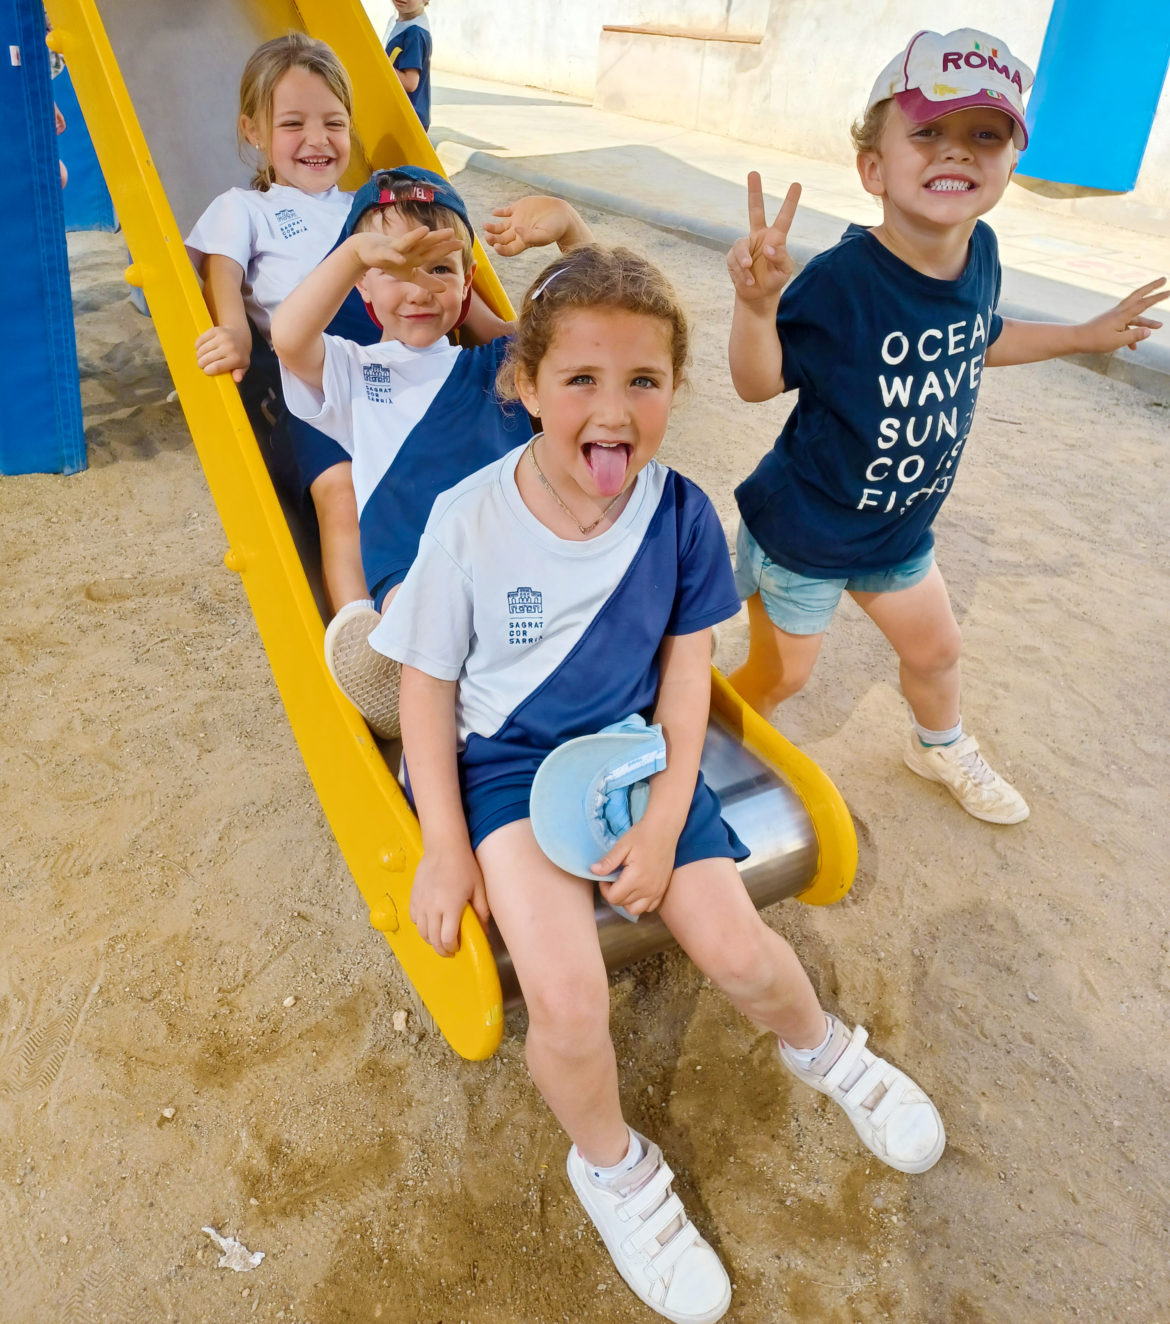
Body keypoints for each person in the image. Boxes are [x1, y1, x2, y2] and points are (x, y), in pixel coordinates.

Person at [372, 244, 945, 1323]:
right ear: (525, 384)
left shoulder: (679, 512)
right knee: (572, 999)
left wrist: (672, 809)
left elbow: (688, 677)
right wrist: (445, 843)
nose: (614, 408)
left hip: (635, 757)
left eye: (644, 380)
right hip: (505, 769)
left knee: (738, 948)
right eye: (581, 379)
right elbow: (426, 691)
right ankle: (615, 1168)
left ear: (675, 388)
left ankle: (829, 1051)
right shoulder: (467, 519)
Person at [726, 28, 1167, 825]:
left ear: (1008, 164)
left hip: (899, 532)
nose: (956, 153)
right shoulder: (841, 282)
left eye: (984, 136)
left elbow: (979, 337)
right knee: (784, 676)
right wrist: (757, 307)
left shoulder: (983, 252)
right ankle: (708, 745)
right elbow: (758, 384)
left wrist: (1082, 334)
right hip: (807, 532)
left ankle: (938, 746)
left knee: (937, 653)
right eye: (927, 132)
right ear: (874, 167)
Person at [270, 168, 591, 732]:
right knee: (428, 622)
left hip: (512, 569)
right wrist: (353, 256)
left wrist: (570, 227)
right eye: (396, 270)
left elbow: (588, 328)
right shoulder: (354, 370)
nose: (420, 288)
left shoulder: (500, 366)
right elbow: (289, 337)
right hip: (417, 576)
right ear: (363, 287)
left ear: (467, 285)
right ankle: (406, 680)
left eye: (440, 269)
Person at [183, 35, 401, 728]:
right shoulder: (242, 209)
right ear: (253, 131)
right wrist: (236, 328)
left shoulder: (366, 206)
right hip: (306, 384)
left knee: (409, 489)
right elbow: (223, 268)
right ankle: (364, 640)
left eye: (334, 123)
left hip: (383, 374)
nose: (318, 139)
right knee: (339, 491)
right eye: (293, 124)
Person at [383, 0, 432, 131]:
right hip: (400, 114)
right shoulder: (398, 22)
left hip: (409, 118)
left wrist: (378, 66)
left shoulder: (415, 32)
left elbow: (410, 82)